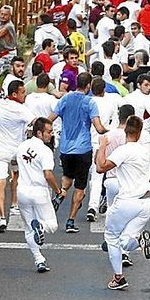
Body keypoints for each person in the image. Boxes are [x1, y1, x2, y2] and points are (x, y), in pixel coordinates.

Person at [95, 114, 150, 290]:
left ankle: (119, 277)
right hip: (145, 203)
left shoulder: (124, 150)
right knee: (127, 240)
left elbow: (100, 168)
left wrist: (103, 146)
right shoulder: (144, 151)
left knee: (111, 237)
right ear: (140, 132)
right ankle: (140, 241)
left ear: (125, 131)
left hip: (127, 202)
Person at [48, 72, 109, 234]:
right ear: (89, 86)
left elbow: (51, 118)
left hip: (66, 148)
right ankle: (70, 221)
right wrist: (109, 131)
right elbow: (98, 127)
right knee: (80, 187)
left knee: (67, 178)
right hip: (83, 149)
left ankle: (60, 195)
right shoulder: (89, 102)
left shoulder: (65, 99)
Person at [15, 118, 64, 273]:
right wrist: (58, 191)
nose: (51, 134)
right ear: (39, 133)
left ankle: (39, 259)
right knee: (51, 225)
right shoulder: (45, 151)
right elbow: (48, 175)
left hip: (22, 191)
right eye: (48, 132)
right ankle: (41, 227)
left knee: (29, 228)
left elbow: (14, 165)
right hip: (39, 192)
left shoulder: (21, 147)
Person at [0, 80, 36, 232]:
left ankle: (2, 217)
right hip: (16, 152)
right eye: (23, 93)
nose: (26, 95)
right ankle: (14, 204)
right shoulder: (22, 110)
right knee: (16, 176)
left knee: (0, 183)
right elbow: (35, 122)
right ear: (15, 94)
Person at [87, 77, 121, 221]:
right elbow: (115, 123)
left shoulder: (87, 103)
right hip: (102, 143)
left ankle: (92, 205)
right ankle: (97, 205)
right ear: (104, 90)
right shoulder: (109, 104)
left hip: (86, 142)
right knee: (100, 176)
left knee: (92, 177)